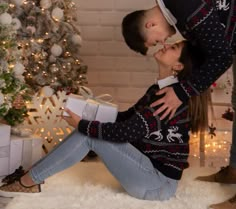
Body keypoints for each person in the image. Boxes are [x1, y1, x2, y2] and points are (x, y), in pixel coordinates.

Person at [0, 40, 207, 201]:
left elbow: (128, 131)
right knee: (88, 130)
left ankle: (28, 181)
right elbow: (128, 117)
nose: (166, 45)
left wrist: (83, 124)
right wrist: (88, 114)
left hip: (157, 185)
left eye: (174, 47)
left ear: (178, 65)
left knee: (89, 134)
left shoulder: (168, 99)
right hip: (149, 173)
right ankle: (30, 177)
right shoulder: (159, 90)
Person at [121, 0, 236, 209]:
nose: (162, 43)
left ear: (150, 25)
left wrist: (182, 93)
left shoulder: (187, 8)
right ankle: (234, 171)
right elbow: (210, 51)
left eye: (154, 42)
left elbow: (221, 57)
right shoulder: (178, 7)